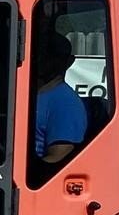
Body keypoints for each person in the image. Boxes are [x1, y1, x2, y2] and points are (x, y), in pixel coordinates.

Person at [30, 27, 87, 183]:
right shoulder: (29, 96)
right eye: (42, 54)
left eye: (53, 56)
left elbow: (59, 156)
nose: (45, 60)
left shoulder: (65, 103)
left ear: (69, 61)